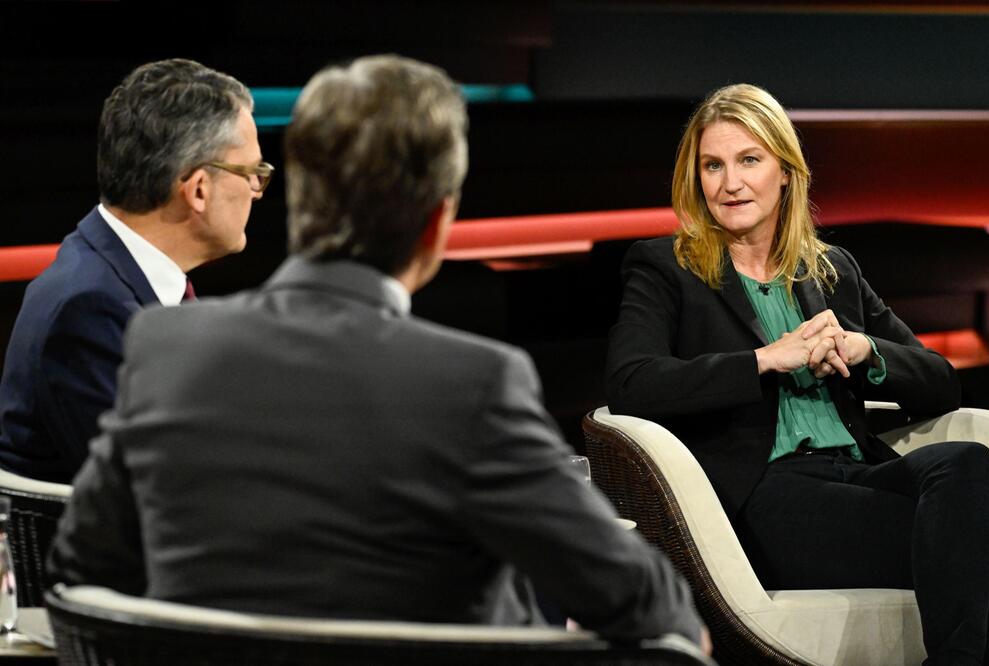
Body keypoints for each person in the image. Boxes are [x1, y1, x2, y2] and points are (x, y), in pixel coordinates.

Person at [48, 55, 707, 648]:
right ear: (436, 222)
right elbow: (645, 605)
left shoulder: (164, 348)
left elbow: (81, 573)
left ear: (300, 201)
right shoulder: (475, 383)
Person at [606, 82, 989, 665]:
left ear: (785, 172)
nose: (729, 183)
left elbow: (941, 380)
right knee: (980, 550)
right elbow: (631, 383)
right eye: (712, 165)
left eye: (749, 160)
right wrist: (767, 360)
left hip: (857, 472)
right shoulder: (666, 268)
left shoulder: (831, 269)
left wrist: (867, 351)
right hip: (765, 494)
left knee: (966, 462)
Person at [0, 58, 270, 483]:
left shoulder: (114, 276)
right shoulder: (88, 305)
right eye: (253, 172)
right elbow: (154, 490)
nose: (257, 190)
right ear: (198, 189)